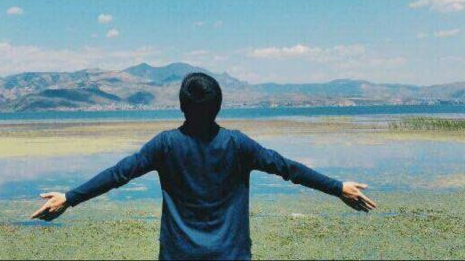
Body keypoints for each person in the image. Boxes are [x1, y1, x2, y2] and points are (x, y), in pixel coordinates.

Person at [31, 72, 375, 260]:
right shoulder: (238, 145)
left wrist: (70, 197)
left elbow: (118, 174)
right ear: (219, 106)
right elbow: (289, 169)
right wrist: (337, 187)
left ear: (182, 106)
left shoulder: (166, 145)